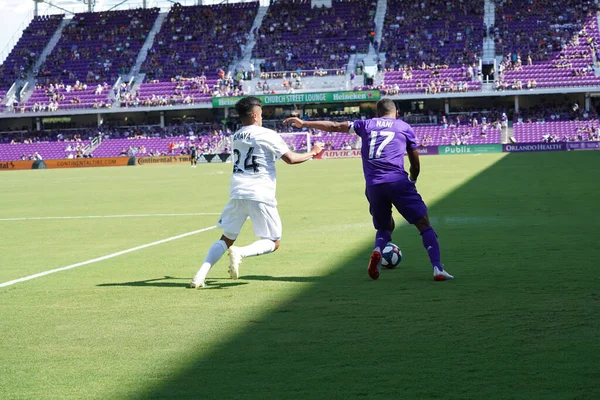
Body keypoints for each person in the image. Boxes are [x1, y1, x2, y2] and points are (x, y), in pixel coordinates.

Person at [283, 98, 453, 281]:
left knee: (384, 227)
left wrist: (304, 123)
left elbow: (334, 125)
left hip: (374, 186)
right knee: (424, 225)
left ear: (377, 113)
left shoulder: (365, 124)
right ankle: (437, 268)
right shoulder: (403, 126)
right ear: (396, 113)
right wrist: (413, 178)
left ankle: (378, 250)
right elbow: (415, 161)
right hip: (398, 182)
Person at [189, 97, 324, 288]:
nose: (262, 118)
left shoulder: (236, 136)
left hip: (237, 191)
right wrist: (313, 152)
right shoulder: (266, 134)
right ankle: (241, 253)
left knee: (226, 238)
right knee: (273, 241)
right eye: (261, 114)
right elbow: (291, 159)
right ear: (254, 115)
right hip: (260, 191)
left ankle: (200, 275)